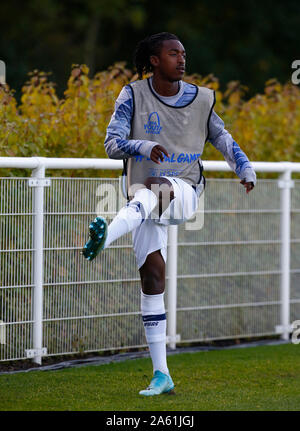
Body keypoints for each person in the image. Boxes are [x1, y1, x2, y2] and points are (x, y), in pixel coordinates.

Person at [82, 32, 256, 396]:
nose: (181, 59)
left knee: (158, 185)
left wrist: (244, 168)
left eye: (183, 53)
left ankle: (104, 238)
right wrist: (143, 144)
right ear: (154, 60)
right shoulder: (132, 95)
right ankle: (162, 375)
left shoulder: (201, 99)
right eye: (173, 53)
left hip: (184, 191)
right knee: (152, 275)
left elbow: (223, 138)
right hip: (141, 199)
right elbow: (112, 143)